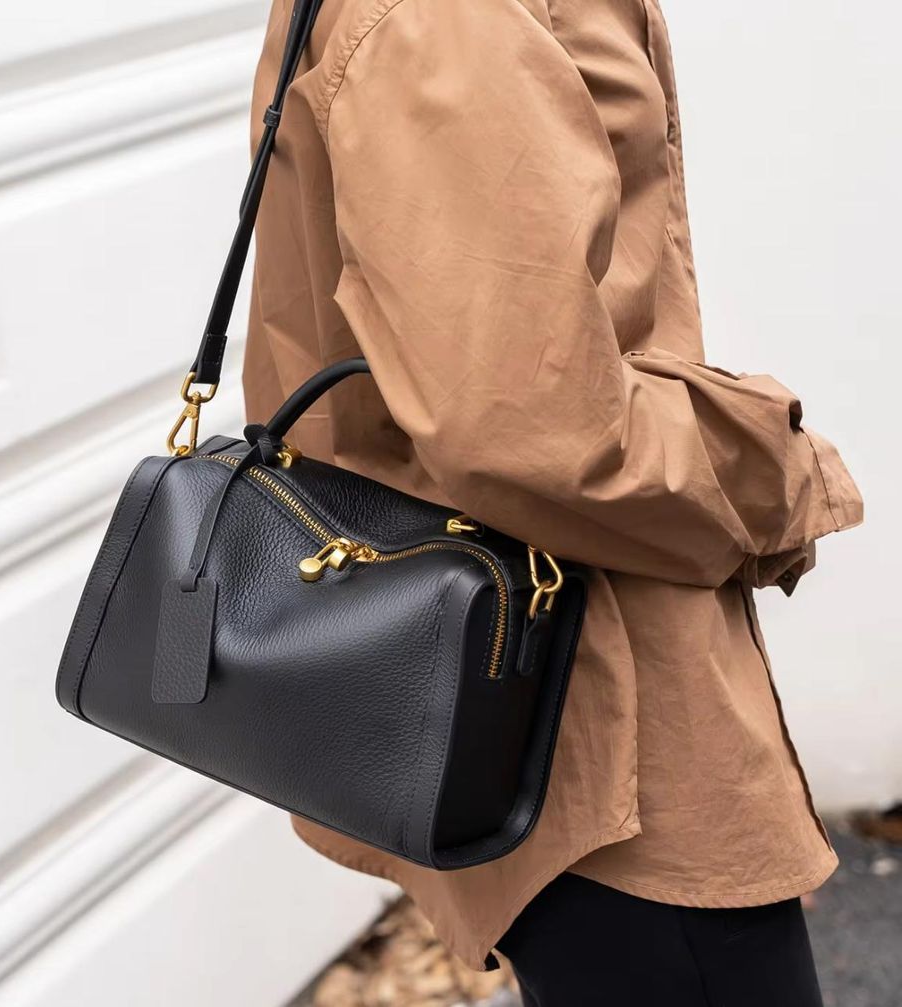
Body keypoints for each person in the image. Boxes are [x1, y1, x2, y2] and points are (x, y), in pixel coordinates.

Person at [241, 1, 863, 1003]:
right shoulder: (455, 19)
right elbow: (527, 424)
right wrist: (778, 479)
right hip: (587, 686)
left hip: (545, 649)